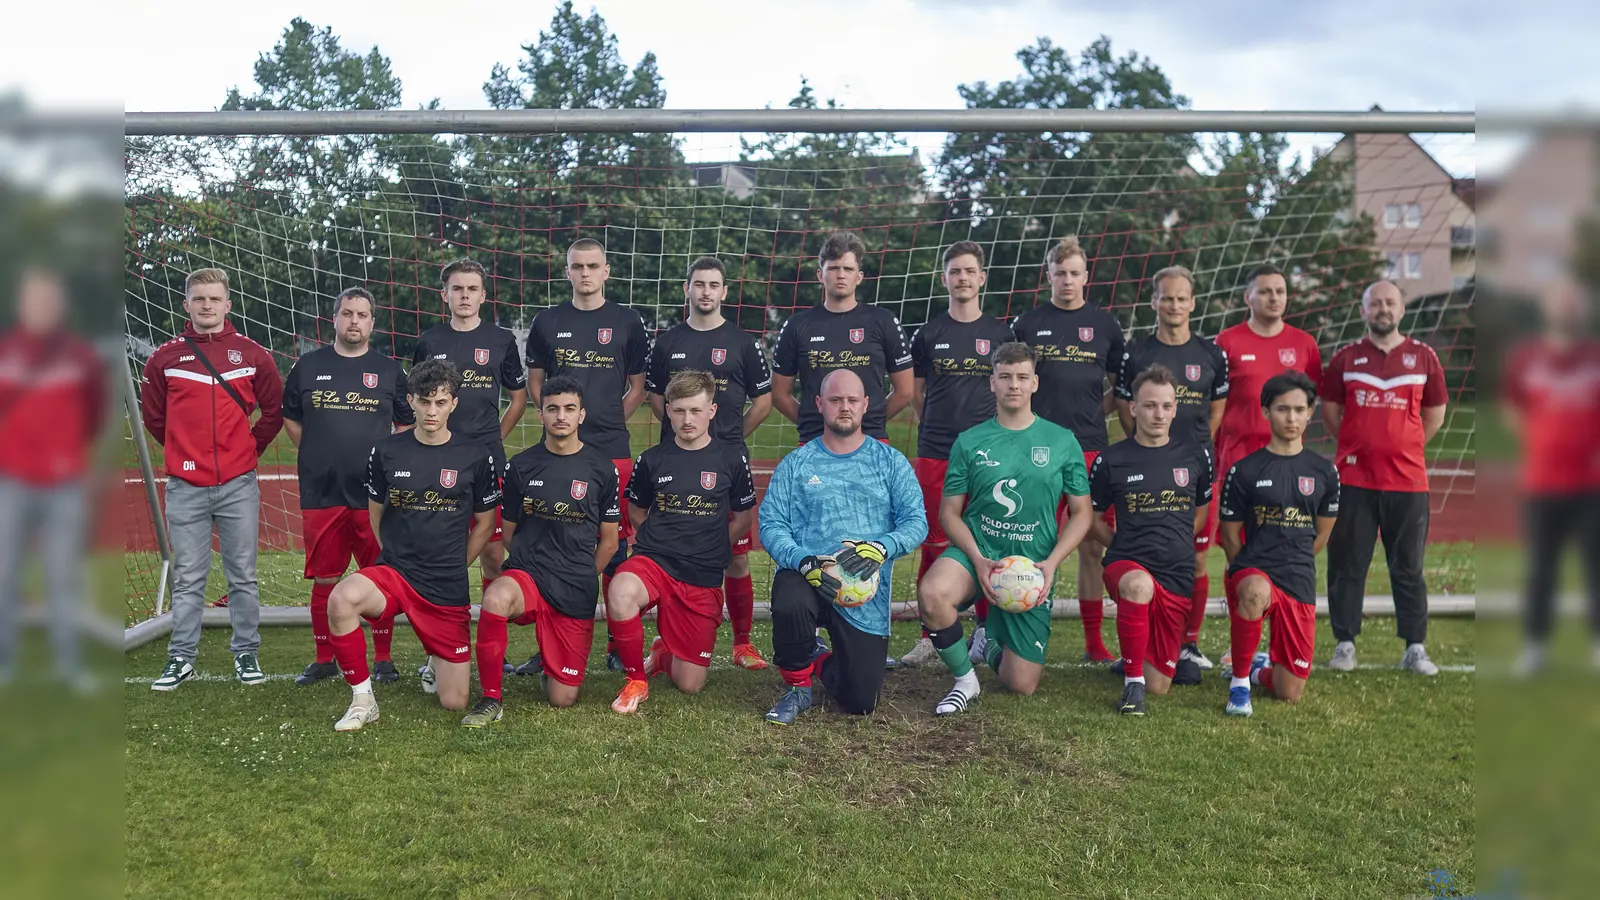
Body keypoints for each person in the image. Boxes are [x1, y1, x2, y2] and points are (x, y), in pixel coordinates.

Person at [916, 342, 1094, 716]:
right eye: (1006, 377)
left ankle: (989, 641)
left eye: (1022, 377)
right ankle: (965, 679)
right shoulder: (970, 441)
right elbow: (949, 513)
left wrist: (1052, 563)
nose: (1014, 384)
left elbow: (1082, 514)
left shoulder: (1062, 442)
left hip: (1032, 568)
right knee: (932, 593)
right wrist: (979, 559)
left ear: (1035, 383)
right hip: (978, 551)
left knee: (1021, 684)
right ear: (992, 383)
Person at [325, 359, 501, 731]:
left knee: (455, 702)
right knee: (341, 599)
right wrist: (394, 556)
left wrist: (456, 562)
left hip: (445, 585)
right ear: (411, 401)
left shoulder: (476, 455)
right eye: (424, 402)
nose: (432, 411)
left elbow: (485, 524)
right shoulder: (386, 451)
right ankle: (362, 699)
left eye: (440, 402)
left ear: (454, 403)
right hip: (397, 573)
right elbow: (376, 513)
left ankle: (438, 659)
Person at [771, 231, 913, 668]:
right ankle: (808, 634)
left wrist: (862, 425)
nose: (840, 276)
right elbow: (780, 393)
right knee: (813, 532)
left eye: (848, 268)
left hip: (871, 447)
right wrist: (821, 427)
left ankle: (864, 625)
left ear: (860, 275)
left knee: (869, 543)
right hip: (816, 448)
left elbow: (904, 390)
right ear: (821, 274)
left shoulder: (881, 321)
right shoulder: (799, 325)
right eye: (833, 269)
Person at [141, 267, 283, 691]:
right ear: (186, 304)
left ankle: (246, 654)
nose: (207, 305)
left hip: (239, 485)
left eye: (214, 299)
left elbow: (273, 413)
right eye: (198, 299)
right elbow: (155, 418)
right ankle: (181, 658)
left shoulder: (254, 355)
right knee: (189, 578)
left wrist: (248, 450)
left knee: (243, 574)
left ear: (228, 304)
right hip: (185, 488)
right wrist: (183, 453)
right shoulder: (164, 358)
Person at [759, 369, 926, 724]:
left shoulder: (890, 462)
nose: (844, 407)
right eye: (835, 400)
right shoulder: (796, 464)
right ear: (820, 404)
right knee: (789, 596)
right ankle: (797, 688)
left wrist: (882, 547)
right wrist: (802, 560)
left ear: (866, 405)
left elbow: (916, 522)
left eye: (852, 400)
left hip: (865, 595)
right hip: (810, 578)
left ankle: (817, 656)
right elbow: (771, 525)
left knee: (861, 701)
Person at [522, 238, 650, 673]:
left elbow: (638, 385)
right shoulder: (548, 320)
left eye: (593, 266)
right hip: (556, 452)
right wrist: (554, 419)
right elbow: (535, 381)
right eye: (577, 266)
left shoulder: (627, 321)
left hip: (611, 450)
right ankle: (548, 644)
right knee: (553, 541)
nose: (585, 273)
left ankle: (617, 642)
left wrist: (608, 417)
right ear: (568, 271)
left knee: (615, 546)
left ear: (607, 271)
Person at [462, 376, 620, 724]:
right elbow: (509, 532)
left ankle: (552, 663)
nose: (560, 416)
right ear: (541, 414)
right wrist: (531, 563)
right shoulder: (520, 465)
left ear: (581, 415)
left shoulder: (602, 469)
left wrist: (578, 570)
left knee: (562, 700)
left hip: (575, 585)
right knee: (496, 598)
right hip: (529, 576)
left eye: (569, 409)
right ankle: (491, 698)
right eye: (552, 409)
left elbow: (609, 541)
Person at [641, 256, 773, 670]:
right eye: (698, 284)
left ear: (724, 292)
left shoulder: (743, 342)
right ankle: (666, 642)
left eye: (713, 285)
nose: (705, 292)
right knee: (669, 553)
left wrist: (727, 439)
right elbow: (656, 398)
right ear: (687, 289)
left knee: (734, 554)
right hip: (675, 464)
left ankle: (742, 643)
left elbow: (764, 401)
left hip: (726, 461)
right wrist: (686, 439)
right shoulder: (667, 342)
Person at [281, 287, 413, 686]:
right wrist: (320, 451)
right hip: (322, 491)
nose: (354, 321)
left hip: (374, 494)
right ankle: (325, 658)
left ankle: (384, 659)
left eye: (362, 315)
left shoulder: (390, 371)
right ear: (334, 319)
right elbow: (291, 418)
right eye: (347, 313)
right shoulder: (307, 366)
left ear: (372, 323)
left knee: (378, 573)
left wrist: (388, 464)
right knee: (325, 577)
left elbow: (406, 424)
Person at [605, 371, 757, 714]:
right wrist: (659, 542)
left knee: (690, 685)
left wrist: (715, 543)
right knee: (622, 589)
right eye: (680, 411)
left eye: (696, 411)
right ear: (667, 410)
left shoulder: (732, 459)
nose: (687, 420)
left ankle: (662, 652)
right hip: (656, 562)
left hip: (701, 574)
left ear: (712, 411)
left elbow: (743, 518)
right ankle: (635, 681)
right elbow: (638, 512)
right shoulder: (653, 459)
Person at [896, 241, 1016, 671]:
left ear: (982, 278)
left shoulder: (1002, 333)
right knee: (935, 539)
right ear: (944, 278)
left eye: (970, 271)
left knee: (987, 536)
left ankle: (984, 632)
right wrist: (935, 427)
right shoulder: (928, 333)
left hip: (988, 454)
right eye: (954, 271)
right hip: (936, 450)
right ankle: (933, 633)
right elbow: (918, 394)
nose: (962, 278)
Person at [1321, 280, 1449, 676]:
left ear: (1401, 309)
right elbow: (1331, 413)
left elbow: (1434, 415)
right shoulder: (1346, 358)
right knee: (1346, 563)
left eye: (1389, 302)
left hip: (1408, 483)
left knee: (1408, 566)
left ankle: (1415, 646)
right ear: (1363, 311)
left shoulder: (1424, 356)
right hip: (1355, 480)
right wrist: (1362, 445)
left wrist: (1402, 446)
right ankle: (1345, 643)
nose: (1383, 309)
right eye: (1375, 303)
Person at [1010, 236, 1125, 663]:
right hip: (1036, 450)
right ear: (1049, 276)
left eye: (1075, 273)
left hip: (1090, 449)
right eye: (1060, 273)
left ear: (1086, 277)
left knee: (1093, 544)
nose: (1068, 281)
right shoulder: (1028, 322)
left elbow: (1119, 388)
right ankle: (1020, 628)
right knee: (1032, 540)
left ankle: (1095, 643)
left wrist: (1096, 411)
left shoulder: (1107, 325)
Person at [1209, 264, 1323, 668]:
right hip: (1238, 464)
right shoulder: (1227, 341)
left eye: (1280, 291)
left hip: (1290, 471)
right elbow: (1214, 403)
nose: (1274, 297)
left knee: (1288, 550)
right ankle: (1238, 642)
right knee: (1237, 553)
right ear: (1247, 298)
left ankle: (1281, 640)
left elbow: (1310, 402)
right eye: (1265, 291)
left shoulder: (1305, 344)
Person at [1114, 266, 1228, 670]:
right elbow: (1127, 412)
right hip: (1144, 466)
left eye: (1182, 298)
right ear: (1154, 302)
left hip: (1193, 468)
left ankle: (1188, 644)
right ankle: (1140, 644)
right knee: (1142, 555)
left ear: (1192, 303)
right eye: (1167, 297)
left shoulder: (1212, 354)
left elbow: (1216, 411)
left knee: (1194, 557)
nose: (1174, 305)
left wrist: (1186, 451)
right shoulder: (1137, 353)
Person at [0, 268, 107, 690]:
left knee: (61, 575)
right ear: (21, 304)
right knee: (5, 574)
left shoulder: (79, 356)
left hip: (64, 485)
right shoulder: (5, 351)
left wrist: (63, 455)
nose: (41, 306)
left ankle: (69, 665)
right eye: (34, 298)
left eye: (49, 298)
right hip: (11, 482)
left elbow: (94, 415)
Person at [1092, 365, 1214, 716]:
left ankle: (1136, 662)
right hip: (1128, 567)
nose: (1158, 414)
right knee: (1138, 585)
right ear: (1132, 408)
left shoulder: (1195, 456)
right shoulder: (1111, 459)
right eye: (1149, 405)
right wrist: (1122, 546)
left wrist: (1172, 540)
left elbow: (1201, 511)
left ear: (1175, 408)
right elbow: (1094, 519)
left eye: (1165, 405)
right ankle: (1132, 685)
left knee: (1161, 683)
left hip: (1176, 573)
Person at [1218, 371, 1341, 716]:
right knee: (1255, 590)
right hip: (1254, 571)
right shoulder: (1244, 470)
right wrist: (1248, 567)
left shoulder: (1325, 473)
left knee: (1290, 692)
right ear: (1266, 411)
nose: (1291, 417)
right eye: (1283, 409)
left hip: (1298, 578)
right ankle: (1240, 685)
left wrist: (1291, 560)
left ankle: (1256, 669)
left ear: (1310, 412)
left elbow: (1321, 536)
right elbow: (1229, 535)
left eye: (1299, 410)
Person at [1500, 279, 1600, 675]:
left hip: (1592, 487)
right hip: (1542, 484)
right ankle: (1535, 645)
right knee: (1542, 567)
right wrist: (1538, 438)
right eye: (1560, 303)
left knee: (1596, 565)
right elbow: (1511, 407)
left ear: (1583, 311)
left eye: (1573, 304)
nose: (1567, 310)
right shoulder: (1528, 357)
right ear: (1549, 310)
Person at [411, 258, 525, 599]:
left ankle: (495, 644)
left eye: (472, 289)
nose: (464, 295)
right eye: (457, 289)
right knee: (440, 546)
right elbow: (416, 398)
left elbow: (518, 399)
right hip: (436, 460)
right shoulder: (429, 342)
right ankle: (441, 634)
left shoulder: (501, 340)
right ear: (444, 295)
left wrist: (493, 437)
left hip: (486, 458)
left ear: (483, 296)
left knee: (492, 553)